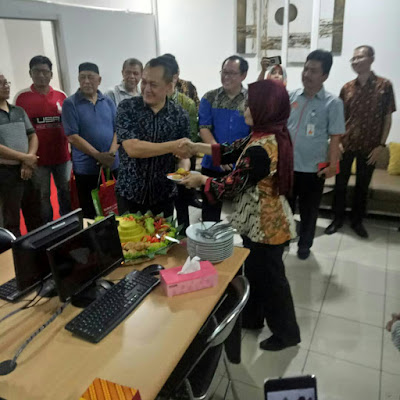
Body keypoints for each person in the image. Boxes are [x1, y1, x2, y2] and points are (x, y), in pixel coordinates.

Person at [179, 79, 301, 351]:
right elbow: (231, 150)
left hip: (266, 225)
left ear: (265, 108)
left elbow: (230, 186)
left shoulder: (261, 149)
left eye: (250, 104)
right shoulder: (264, 135)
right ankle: (253, 318)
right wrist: (195, 147)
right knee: (255, 272)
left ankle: (287, 333)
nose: (245, 108)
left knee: (272, 281)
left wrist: (201, 179)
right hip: (257, 219)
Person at [325, 45, 396, 238]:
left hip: (370, 147)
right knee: (340, 184)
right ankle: (337, 219)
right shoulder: (347, 88)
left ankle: (357, 221)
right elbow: (339, 118)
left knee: (362, 186)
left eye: (359, 57)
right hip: (346, 144)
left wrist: (381, 146)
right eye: (353, 58)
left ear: (371, 59)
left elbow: (387, 118)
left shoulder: (385, 86)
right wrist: (338, 142)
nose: (355, 61)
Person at [115, 56, 191, 217]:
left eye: (154, 84)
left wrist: (183, 171)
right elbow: (133, 148)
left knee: (164, 234)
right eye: (144, 82)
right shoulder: (127, 108)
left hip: (163, 197)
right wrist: (173, 145)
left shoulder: (180, 115)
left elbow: (183, 155)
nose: (146, 89)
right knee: (129, 234)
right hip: (130, 195)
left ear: (169, 87)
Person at [288, 50, 345, 260]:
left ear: (325, 76)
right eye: (305, 69)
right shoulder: (292, 97)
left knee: (309, 211)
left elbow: (336, 137)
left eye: (313, 71)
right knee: (285, 208)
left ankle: (304, 245)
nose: (306, 74)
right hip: (288, 166)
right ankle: (283, 240)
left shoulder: (333, 103)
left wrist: (332, 166)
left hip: (313, 169)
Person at [15, 55, 71, 223]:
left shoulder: (61, 96)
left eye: (45, 72)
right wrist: (25, 159)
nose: (41, 75)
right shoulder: (21, 98)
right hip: (37, 159)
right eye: (37, 71)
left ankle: (69, 224)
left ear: (51, 74)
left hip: (62, 156)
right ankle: (48, 228)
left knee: (66, 191)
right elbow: (19, 130)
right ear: (30, 73)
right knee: (43, 196)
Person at [62, 62, 119, 219]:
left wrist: (111, 154)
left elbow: (118, 129)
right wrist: (98, 155)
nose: (86, 81)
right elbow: (72, 136)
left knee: (115, 207)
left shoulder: (107, 101)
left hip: (112, 165)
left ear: (99, 80)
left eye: (90, 77)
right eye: (82, 77)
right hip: (86, 168)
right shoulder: (70, 103)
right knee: (91, 211)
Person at [199, 55, 250, 222]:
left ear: (243, 75)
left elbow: (254, 132)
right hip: (213, 163)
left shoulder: (251, 100)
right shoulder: (209, 98)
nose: (226, 77)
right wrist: (218, 155)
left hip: (242, 165)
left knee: (244, 214)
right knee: (210, 213)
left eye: (232, 73)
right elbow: (204, 128)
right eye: (224, 72)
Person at [161, 54, 201, 229]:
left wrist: (180, 151)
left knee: (182, 200)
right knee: (163, 209)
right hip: (158, 159)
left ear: (175, 76)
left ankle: (184, 234)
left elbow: (191, 134)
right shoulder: (148, 101)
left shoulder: (187, 103)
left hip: (183, 156)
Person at [0, 73, 39, 236]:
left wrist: (28, 160)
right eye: (1, 84)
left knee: (35, 214)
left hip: (28, 168)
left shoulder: (19, 111)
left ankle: (38, 248)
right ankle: (14, 251)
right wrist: (25, 158)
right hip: (6, 172)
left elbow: (32, 135)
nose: (5, 86)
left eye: (6, 83)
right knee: (11, 218)